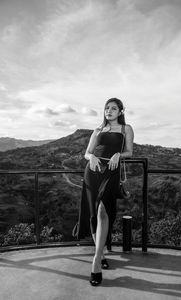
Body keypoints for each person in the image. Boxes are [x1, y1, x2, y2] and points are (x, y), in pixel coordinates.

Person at [76, 98, 134, 286]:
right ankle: (100, 255)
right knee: (94, 214)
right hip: (93, 172)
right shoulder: (98, 130)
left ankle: (95, 260)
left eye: (113, 108)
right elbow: (87, 152)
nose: (109, 111)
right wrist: (91, 156)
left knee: (103, 211)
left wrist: (119, 154)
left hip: (111, 171)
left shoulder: (126, 129)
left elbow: (129, 152)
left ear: (120, 112)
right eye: (107, 108)